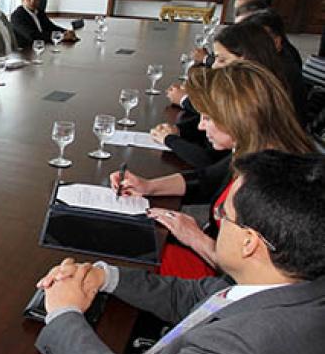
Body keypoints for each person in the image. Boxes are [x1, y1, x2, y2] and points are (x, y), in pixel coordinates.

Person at [36, 149, 325, 354]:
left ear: (249, 242)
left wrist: (64, 311)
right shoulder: (294, 281)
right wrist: (105, 276)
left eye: (223, 214)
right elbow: (197, 296)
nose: (216, 219)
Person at [113, 61, 313, 279]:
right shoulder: (256, 150)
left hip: (218, 279)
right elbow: (206, 179)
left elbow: (253, 276)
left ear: (238, 119)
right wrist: (148, 186)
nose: (200, 126)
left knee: (124, 253)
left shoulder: (272, 186)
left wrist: (195, 237)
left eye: (207, 118)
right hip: (212, 252)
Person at [153, 21, 300, 167]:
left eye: (222, 59)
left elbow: (212, 162)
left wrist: (171, 140)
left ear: (248, 60)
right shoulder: (261, 87)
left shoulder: (258, 100)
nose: (214, 65)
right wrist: (180, 130)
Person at [9, 0, 77, 48]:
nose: (32, 1)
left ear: (39, 0)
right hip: (25, 52)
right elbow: (32, 36)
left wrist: (66, 32)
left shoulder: (39, 12)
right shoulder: (17, 16)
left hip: (42, 48)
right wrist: (61, 36)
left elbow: (51, 27)